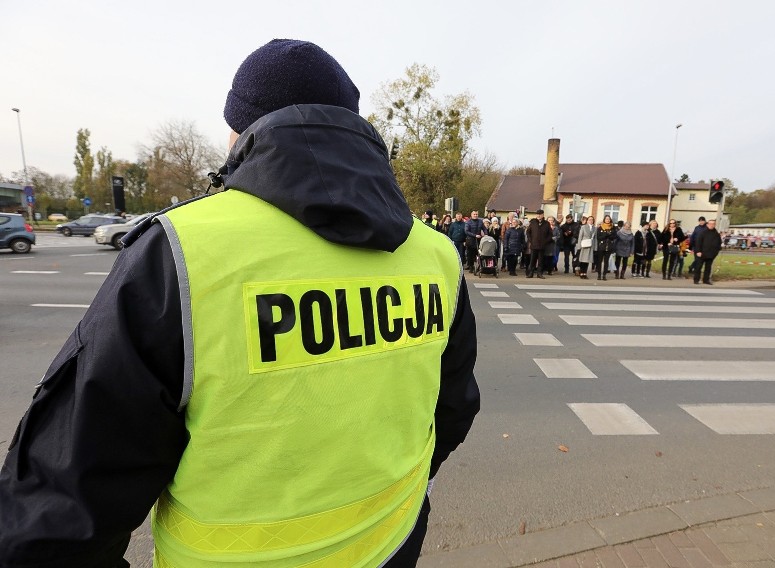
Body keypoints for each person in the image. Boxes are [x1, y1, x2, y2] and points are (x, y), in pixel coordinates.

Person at [0, 39, 480, 568]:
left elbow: (66, 502)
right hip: (390, 544)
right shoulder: (435, 255)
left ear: (238, 132)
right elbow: (451, 409)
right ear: (350, 123)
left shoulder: (180, 251)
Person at [693, 218, 722, 285]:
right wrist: (698, 251)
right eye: (710, 224)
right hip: (701, 253)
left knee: (708, 268)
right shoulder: (703, 233)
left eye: (713, 224)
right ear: (707, 224)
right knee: (698, 267)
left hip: (711, 254)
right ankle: (696, 279)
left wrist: (716, 252)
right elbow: (698, 242)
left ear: (715, 225)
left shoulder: (716, 234)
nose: (711, 225)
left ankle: (706, 280)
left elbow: (719, 243)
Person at [525, 209, 551, 279]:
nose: (538, 216)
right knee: (532, 260)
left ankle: (539, 273)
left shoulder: (546, 223)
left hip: (542, 245)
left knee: (540, 260)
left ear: (543, 215)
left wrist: (546, 241)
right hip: (534, 245)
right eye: (537, 214)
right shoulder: (533, 222)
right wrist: (531, 240)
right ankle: (531, 273)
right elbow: (528, 232)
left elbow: (550, 234)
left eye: (540, 214)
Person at [595, 214, 617, 280]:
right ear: (604, 220)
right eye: (606, 219)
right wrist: (605, 234)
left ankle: (604, 275)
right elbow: (598, 237)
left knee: (606, 261)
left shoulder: (613, 227)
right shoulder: (600, 227)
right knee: (599, 261)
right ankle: (599, 275)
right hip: (601, 246)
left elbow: (614, 236)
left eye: (609, 219)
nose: (608, 220)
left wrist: (609, 235)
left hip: (609, 246)